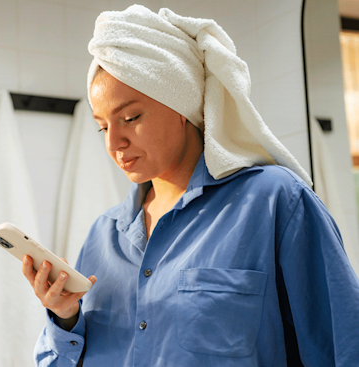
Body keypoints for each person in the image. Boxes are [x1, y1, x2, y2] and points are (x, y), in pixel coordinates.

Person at [21, 5, 359, 367]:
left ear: (179, 102)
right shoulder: (105, 236)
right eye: (103, 126)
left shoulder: (274, 203)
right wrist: (65, 317)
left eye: (130, 117)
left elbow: (343, 349)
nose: (113, 142)